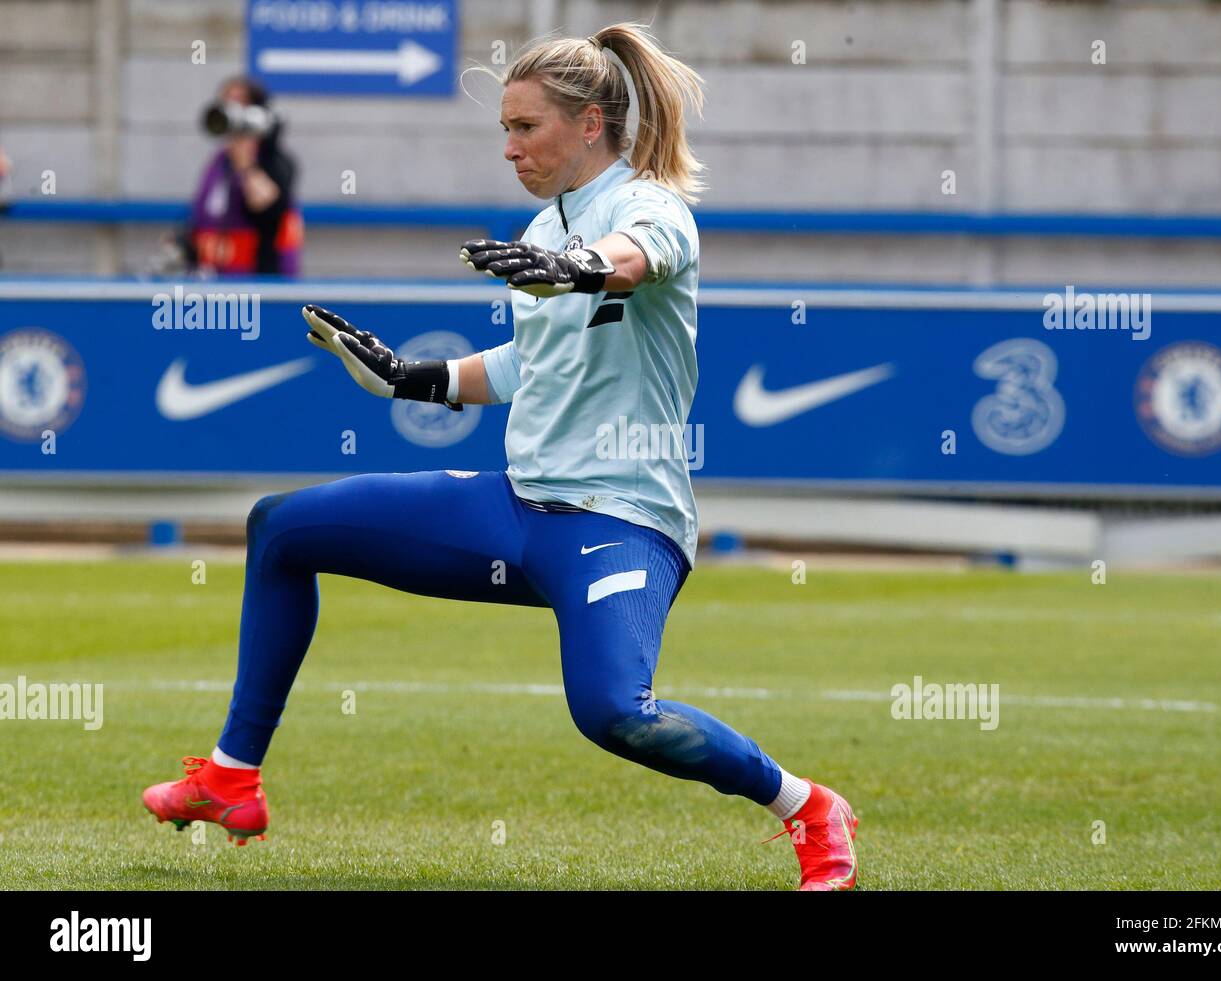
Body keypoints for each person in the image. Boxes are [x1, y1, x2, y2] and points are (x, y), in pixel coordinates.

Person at [141, 23, 858, 890]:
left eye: (527, 127)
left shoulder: (652, 206)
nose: (511, 146)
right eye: (505, 130)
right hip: (518, 506)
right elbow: (529, 364)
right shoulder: (542, 224)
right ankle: (230, 777)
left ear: (590, 122)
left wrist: (569, 267)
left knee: (614, 716)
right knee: (284, 527)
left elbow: (626, 263)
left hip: (622, 519)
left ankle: (809, 806)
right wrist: (409, 377)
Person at [173, 76, 302, 276]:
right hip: (215, 283)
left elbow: (266, 205)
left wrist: (246, 166)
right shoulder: (219, 163)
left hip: (260, 283)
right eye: (226, 102)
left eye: (239, 103)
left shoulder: (274, 162)